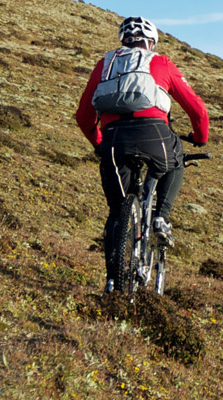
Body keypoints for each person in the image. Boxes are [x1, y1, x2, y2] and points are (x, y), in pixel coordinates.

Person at [76, 17, 209, 292]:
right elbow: (197, 108)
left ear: (123, 40)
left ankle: (112, 281)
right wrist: (199, 137)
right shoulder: (161, 63)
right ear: (151, 43)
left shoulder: (105, 64)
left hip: (114, 140)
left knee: (116, 213)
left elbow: (83, 115)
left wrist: (98, 142)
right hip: (154, 134)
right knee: (176, 156)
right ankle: (160, 216)